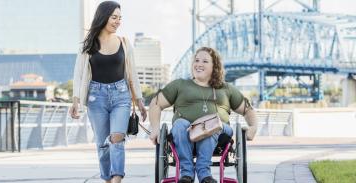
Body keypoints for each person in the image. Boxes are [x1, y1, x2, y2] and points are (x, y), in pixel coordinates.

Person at [148, 47, 258, 183]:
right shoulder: (180, 85)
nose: (199, 64)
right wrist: (154, 128)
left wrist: (253, 127)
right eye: (196, 60)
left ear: (215, 66)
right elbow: (155, 103)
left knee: (212, 124)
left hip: (219, 136)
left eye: (205, 61)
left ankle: (204, 173)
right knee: (180, 124)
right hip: (185, 135)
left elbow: (248, 109)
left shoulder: (226, 88)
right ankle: (187, 174)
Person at [69, 1, 147, 183]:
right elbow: (79, 75)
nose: (118, 21)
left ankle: (117, 177)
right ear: (103, 17)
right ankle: (107, 178)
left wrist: (140, 101)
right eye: (114, 17)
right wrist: (75, 101)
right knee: (102, 143)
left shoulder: (125, 43)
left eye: (120, 18)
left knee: (117, 138)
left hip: (121, 96)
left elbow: (132, 74)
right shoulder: (87, 45)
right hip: (96, 98)